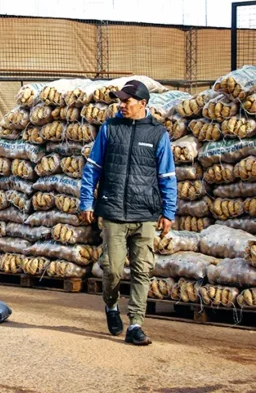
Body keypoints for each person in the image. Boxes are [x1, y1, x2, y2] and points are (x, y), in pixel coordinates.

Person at [79, 80, 177, 346]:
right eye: (120, 101)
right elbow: (92, 168)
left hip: (145, 213)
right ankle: (111, 306)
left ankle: (135, 324)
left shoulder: (158, 134)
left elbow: (167, 175)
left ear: (143, 104)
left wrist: (168, 212)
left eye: (127, 101)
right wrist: (86, 202)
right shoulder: (110, 129)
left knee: (143, 270)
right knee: (111, 269)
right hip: (112, 211)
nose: (121, 105)